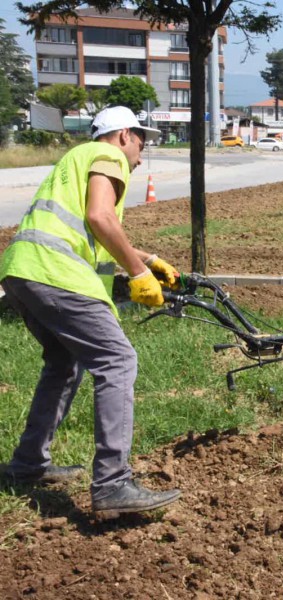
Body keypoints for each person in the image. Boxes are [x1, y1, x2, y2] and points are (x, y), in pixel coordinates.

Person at [0, 106, 181, 517]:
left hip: (23, 271)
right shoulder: (109, 156)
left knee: (63, 364)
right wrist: (137, 274)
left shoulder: (75, 160)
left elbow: (86, 228)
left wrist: (148, 258)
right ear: (122, 136)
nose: (140, 154)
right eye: (141, 142)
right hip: (55, 273)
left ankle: (28, 465)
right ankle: (113, 484)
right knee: (117, 360)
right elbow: (99, 216)